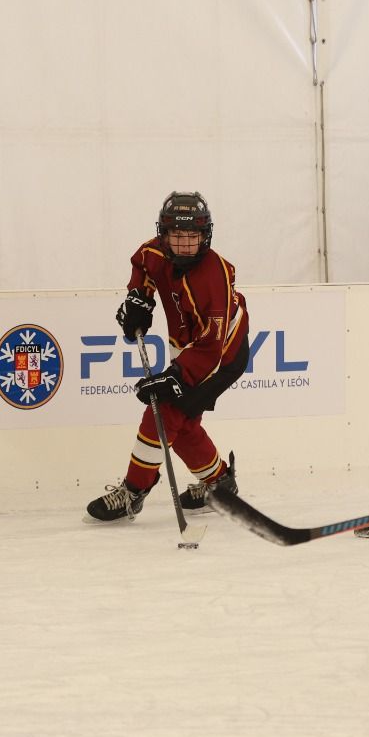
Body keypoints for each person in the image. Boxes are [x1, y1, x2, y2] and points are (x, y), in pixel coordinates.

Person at [86, 192, 249, 522]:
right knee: (183, 423)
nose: (186, 244)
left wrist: (177, 377)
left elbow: (211, 347)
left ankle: (134, 491)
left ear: (205, 236)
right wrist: (138, 300)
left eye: (193, 237)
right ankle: (219, 483)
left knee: (165, 410)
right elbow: (142, 267)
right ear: (165, 234)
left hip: (221, 355)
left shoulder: (211, 276)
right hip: (186, 345)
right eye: (178, 236)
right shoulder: (154, 251)